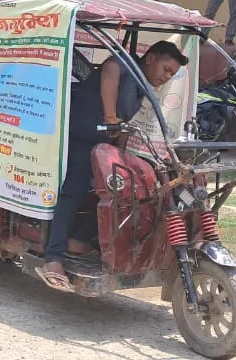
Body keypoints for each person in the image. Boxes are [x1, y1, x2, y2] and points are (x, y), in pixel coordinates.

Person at [38, 41, 188, 292]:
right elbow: (109, 70)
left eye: (171, 74)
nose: (166, 77)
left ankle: (78, 239)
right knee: (73, 191)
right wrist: (109, 118)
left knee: (119, 194)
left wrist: (120, 154)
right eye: (166, 68)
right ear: (150, 58)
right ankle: (53, 259)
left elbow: (123, 126)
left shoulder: (141, 88)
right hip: (79, 137)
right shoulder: (127, 64)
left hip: (100, 147)